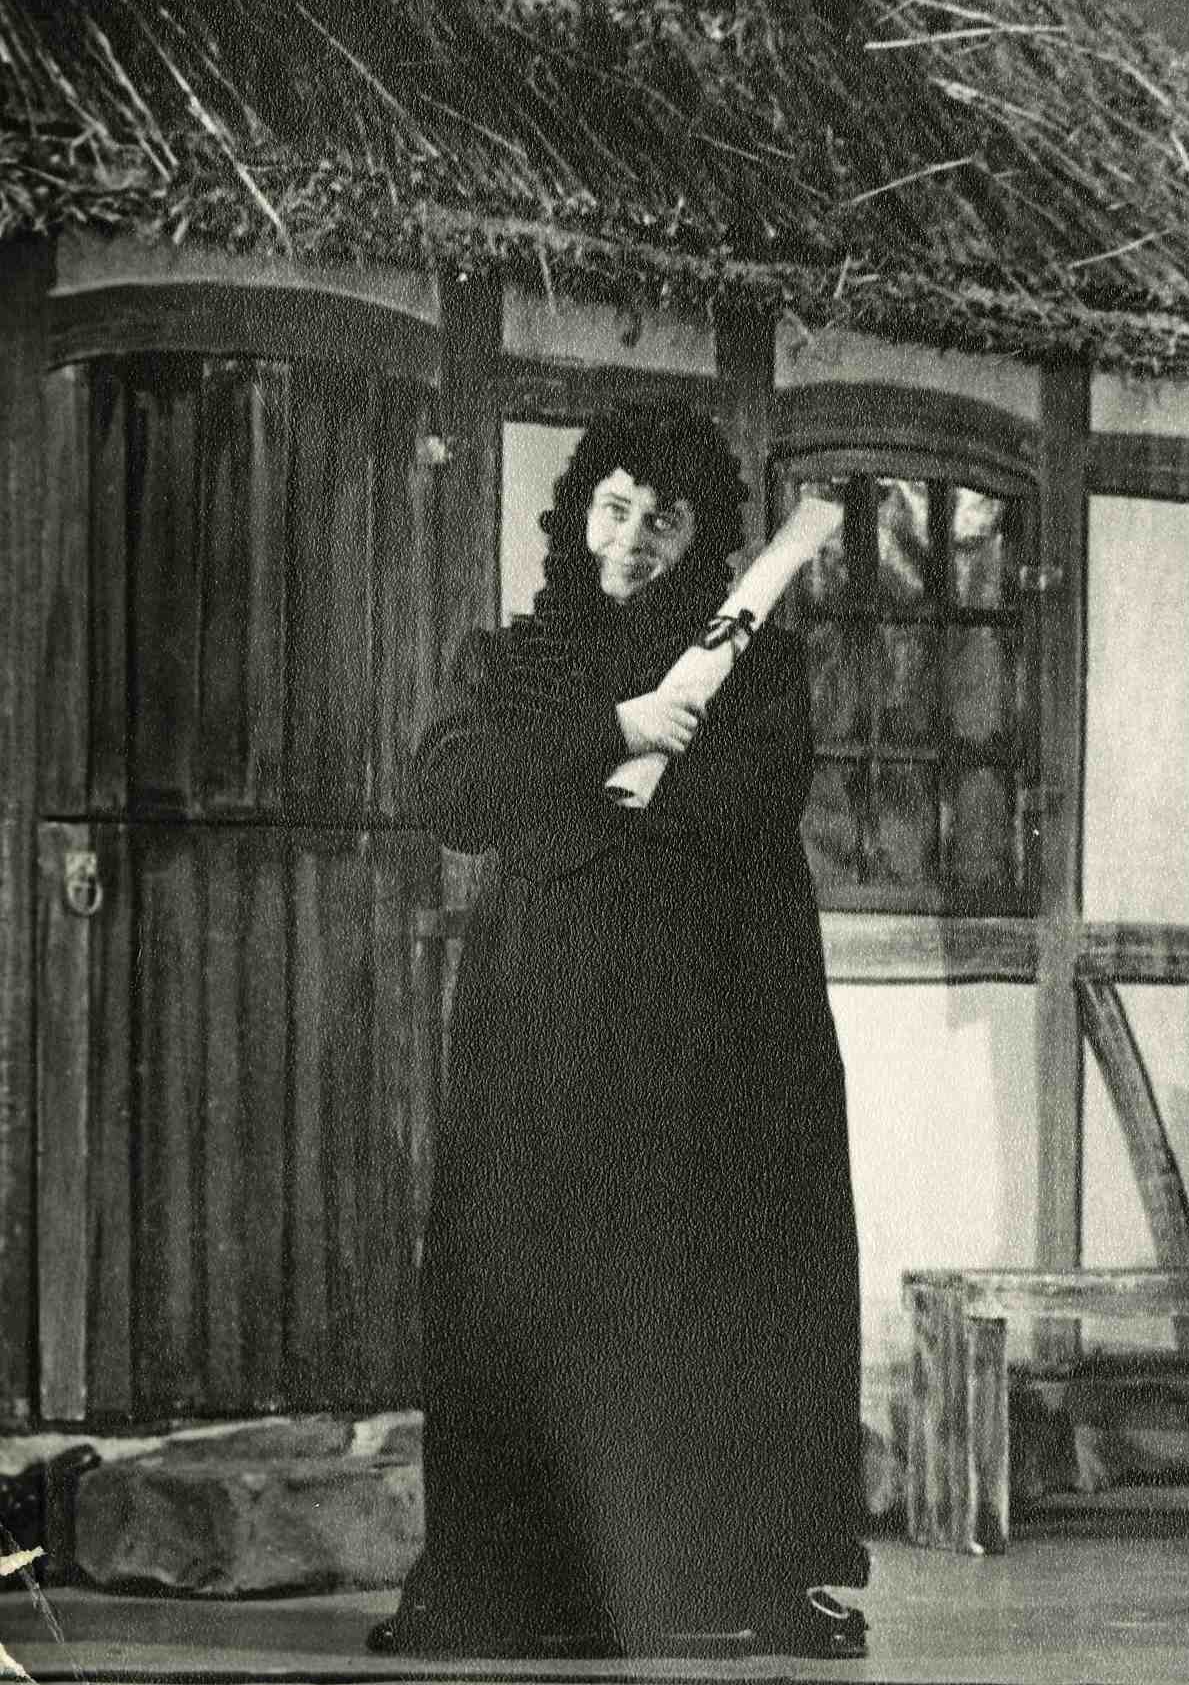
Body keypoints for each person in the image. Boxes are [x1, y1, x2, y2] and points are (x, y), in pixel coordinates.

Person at [375, 402, 868, 1661]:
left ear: (703, 538)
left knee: (711, 1284)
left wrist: (565, 793)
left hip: (713, 1025)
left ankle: (747, 1575)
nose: (633, 537)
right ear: (575, 511)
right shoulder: (510, 660)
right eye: (614, 505)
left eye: (666, 517)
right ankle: (522, 1582)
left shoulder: (756, 665)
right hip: (547, 1025)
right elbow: (452, 794)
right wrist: (617, 732)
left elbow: (743, 799)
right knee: (537, 1282)